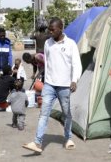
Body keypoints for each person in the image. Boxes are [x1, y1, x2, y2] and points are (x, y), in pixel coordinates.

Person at [22, 18, 82, 153]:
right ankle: (37, 143)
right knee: (44, 113)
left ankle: (68, 138)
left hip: (65, 86)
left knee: (66, 114)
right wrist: (45, 79)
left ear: (61, 28)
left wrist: (74, 80)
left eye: (52, 29)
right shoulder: (48, 44)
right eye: (49, 29)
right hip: (49, 85)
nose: (50, 32)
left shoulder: (71, 44)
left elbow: (76, 64)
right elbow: (47, 63)